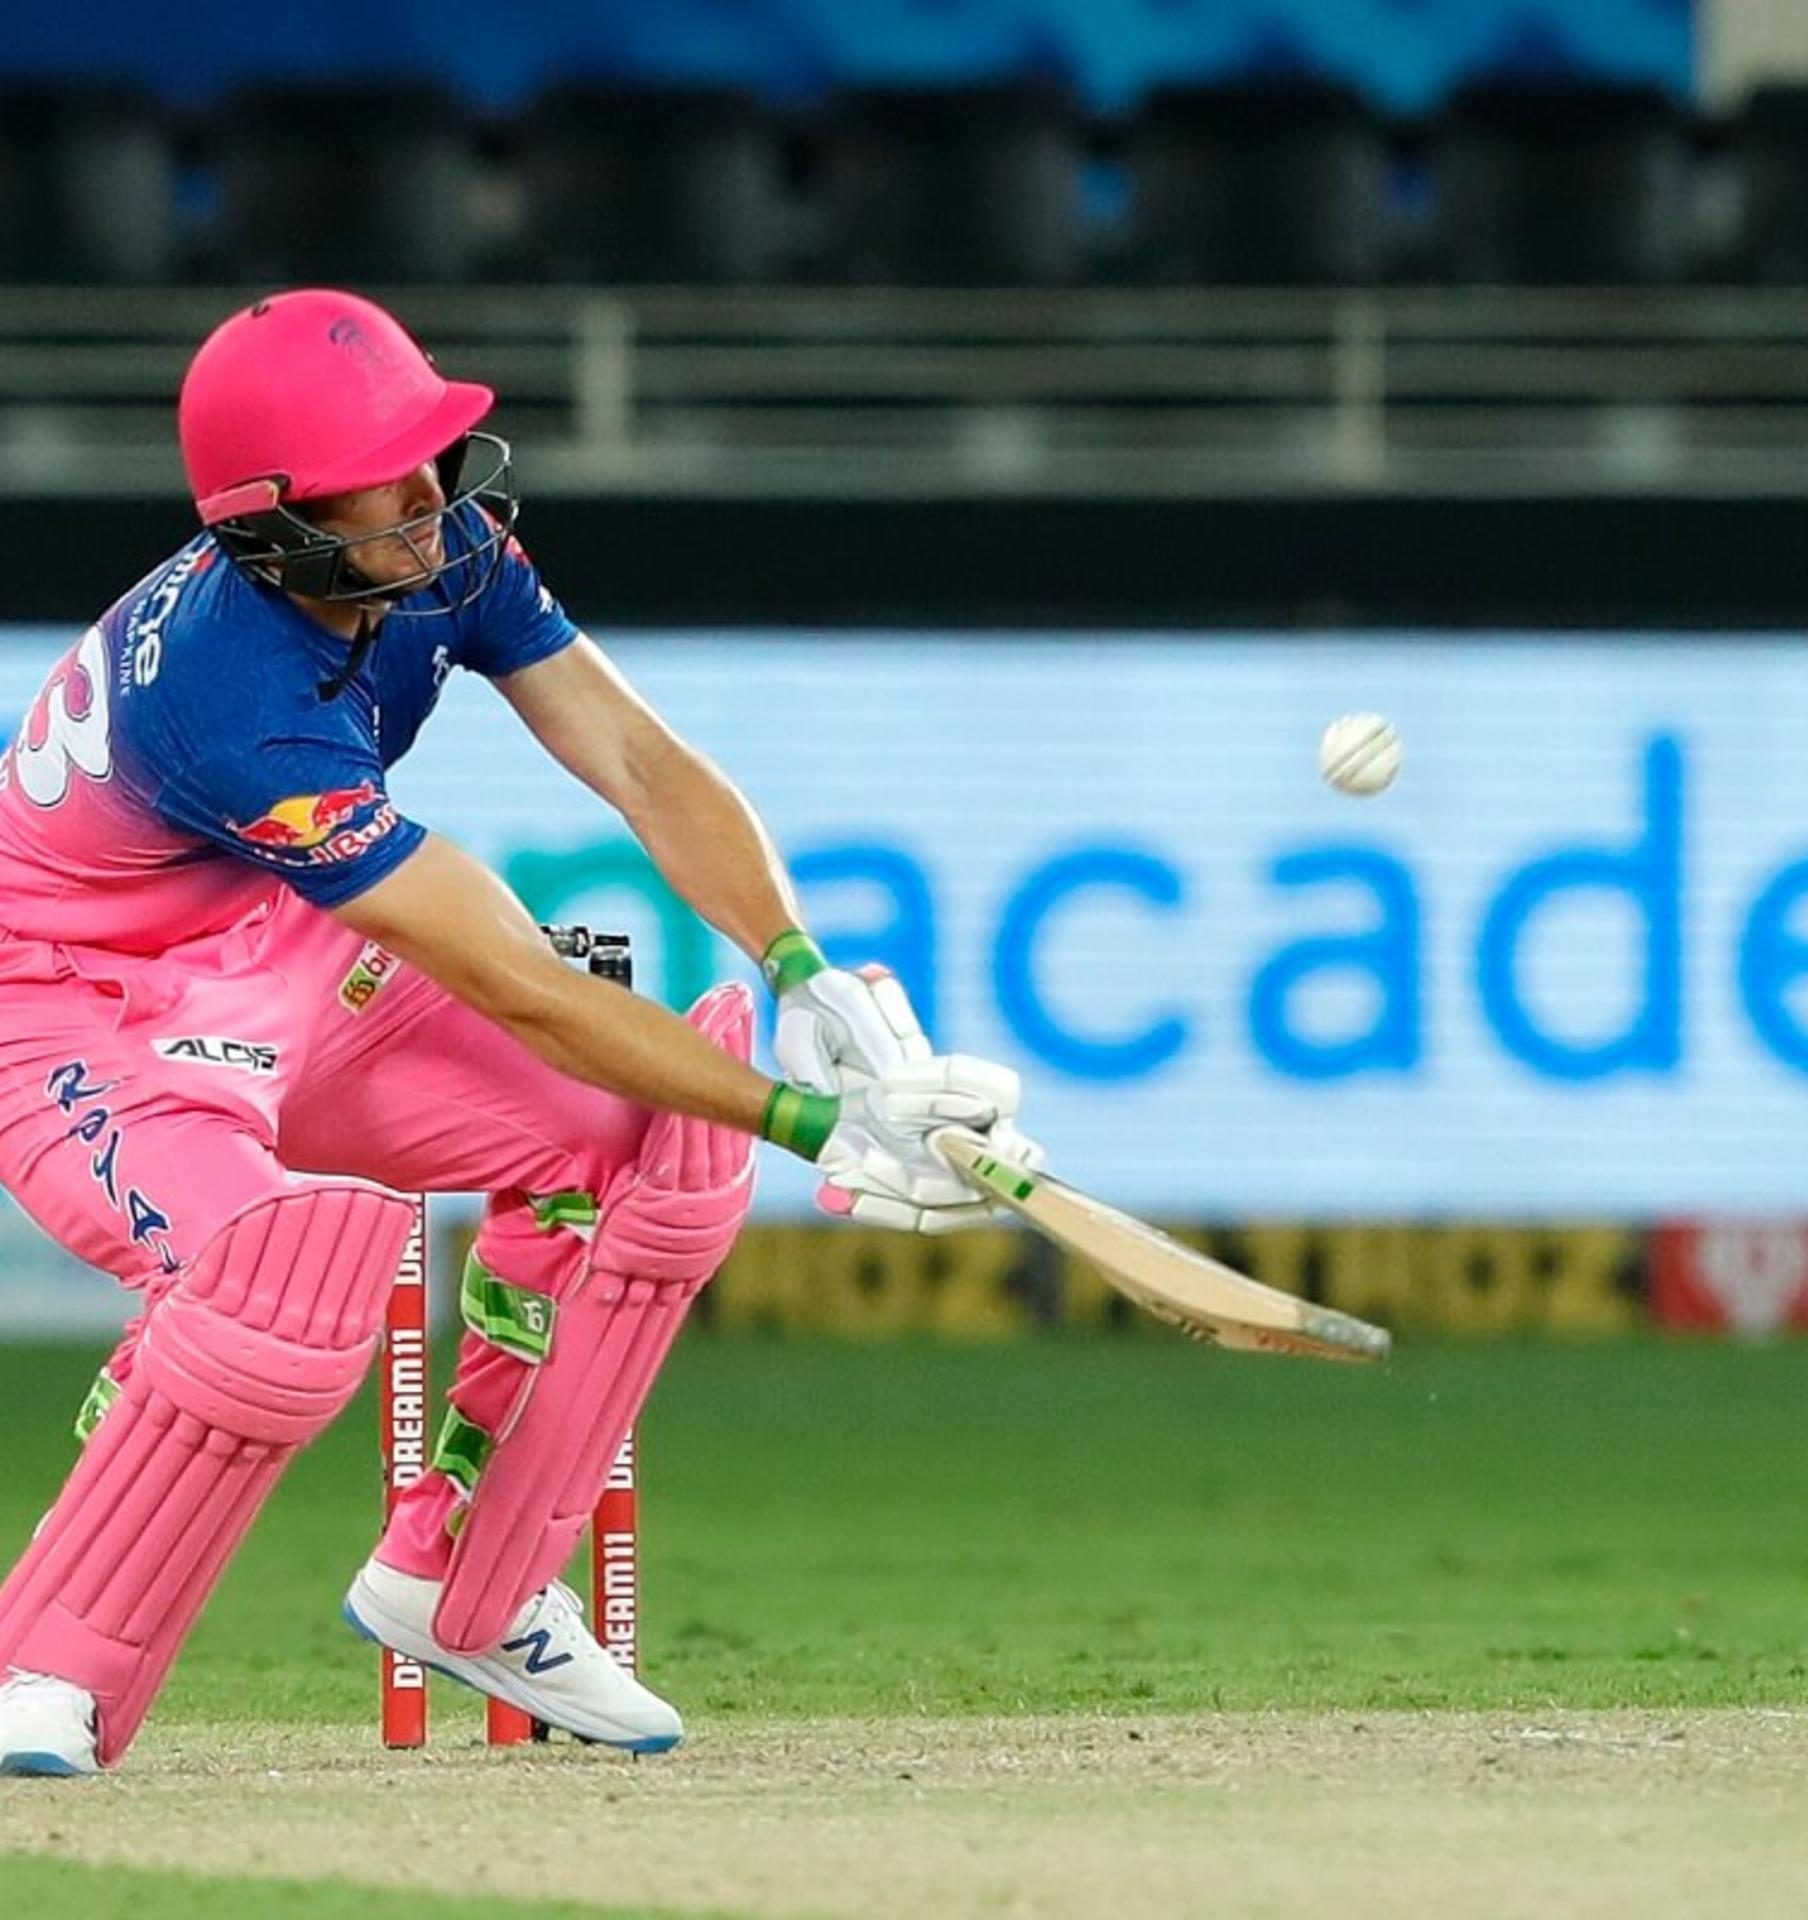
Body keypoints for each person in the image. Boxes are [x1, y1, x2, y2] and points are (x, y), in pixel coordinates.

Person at [0, 288, 1036, 1776]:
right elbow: (521, 986)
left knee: (648, 1150)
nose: (431, 493)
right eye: (385, 474)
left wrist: (798, 969)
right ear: (277, 521)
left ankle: (466, 1581)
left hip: (279, 950)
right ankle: (42, 1666)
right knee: (268, 1290)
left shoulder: (443, 552)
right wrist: (815, 1124)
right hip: (69, 1005)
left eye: (430, 452)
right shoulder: (230, 700)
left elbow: (637, 758)